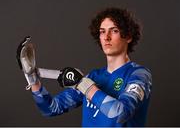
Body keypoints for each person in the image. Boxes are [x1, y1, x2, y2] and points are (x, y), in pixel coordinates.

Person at [16, 7, 152, 127]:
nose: (106, 37)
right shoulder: (94, 76)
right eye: (102, 31)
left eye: (114, 31)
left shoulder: (139, 75)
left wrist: (84, 85)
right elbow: (51, 108)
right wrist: (32, 78)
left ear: (128, 36)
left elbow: (120, 113)